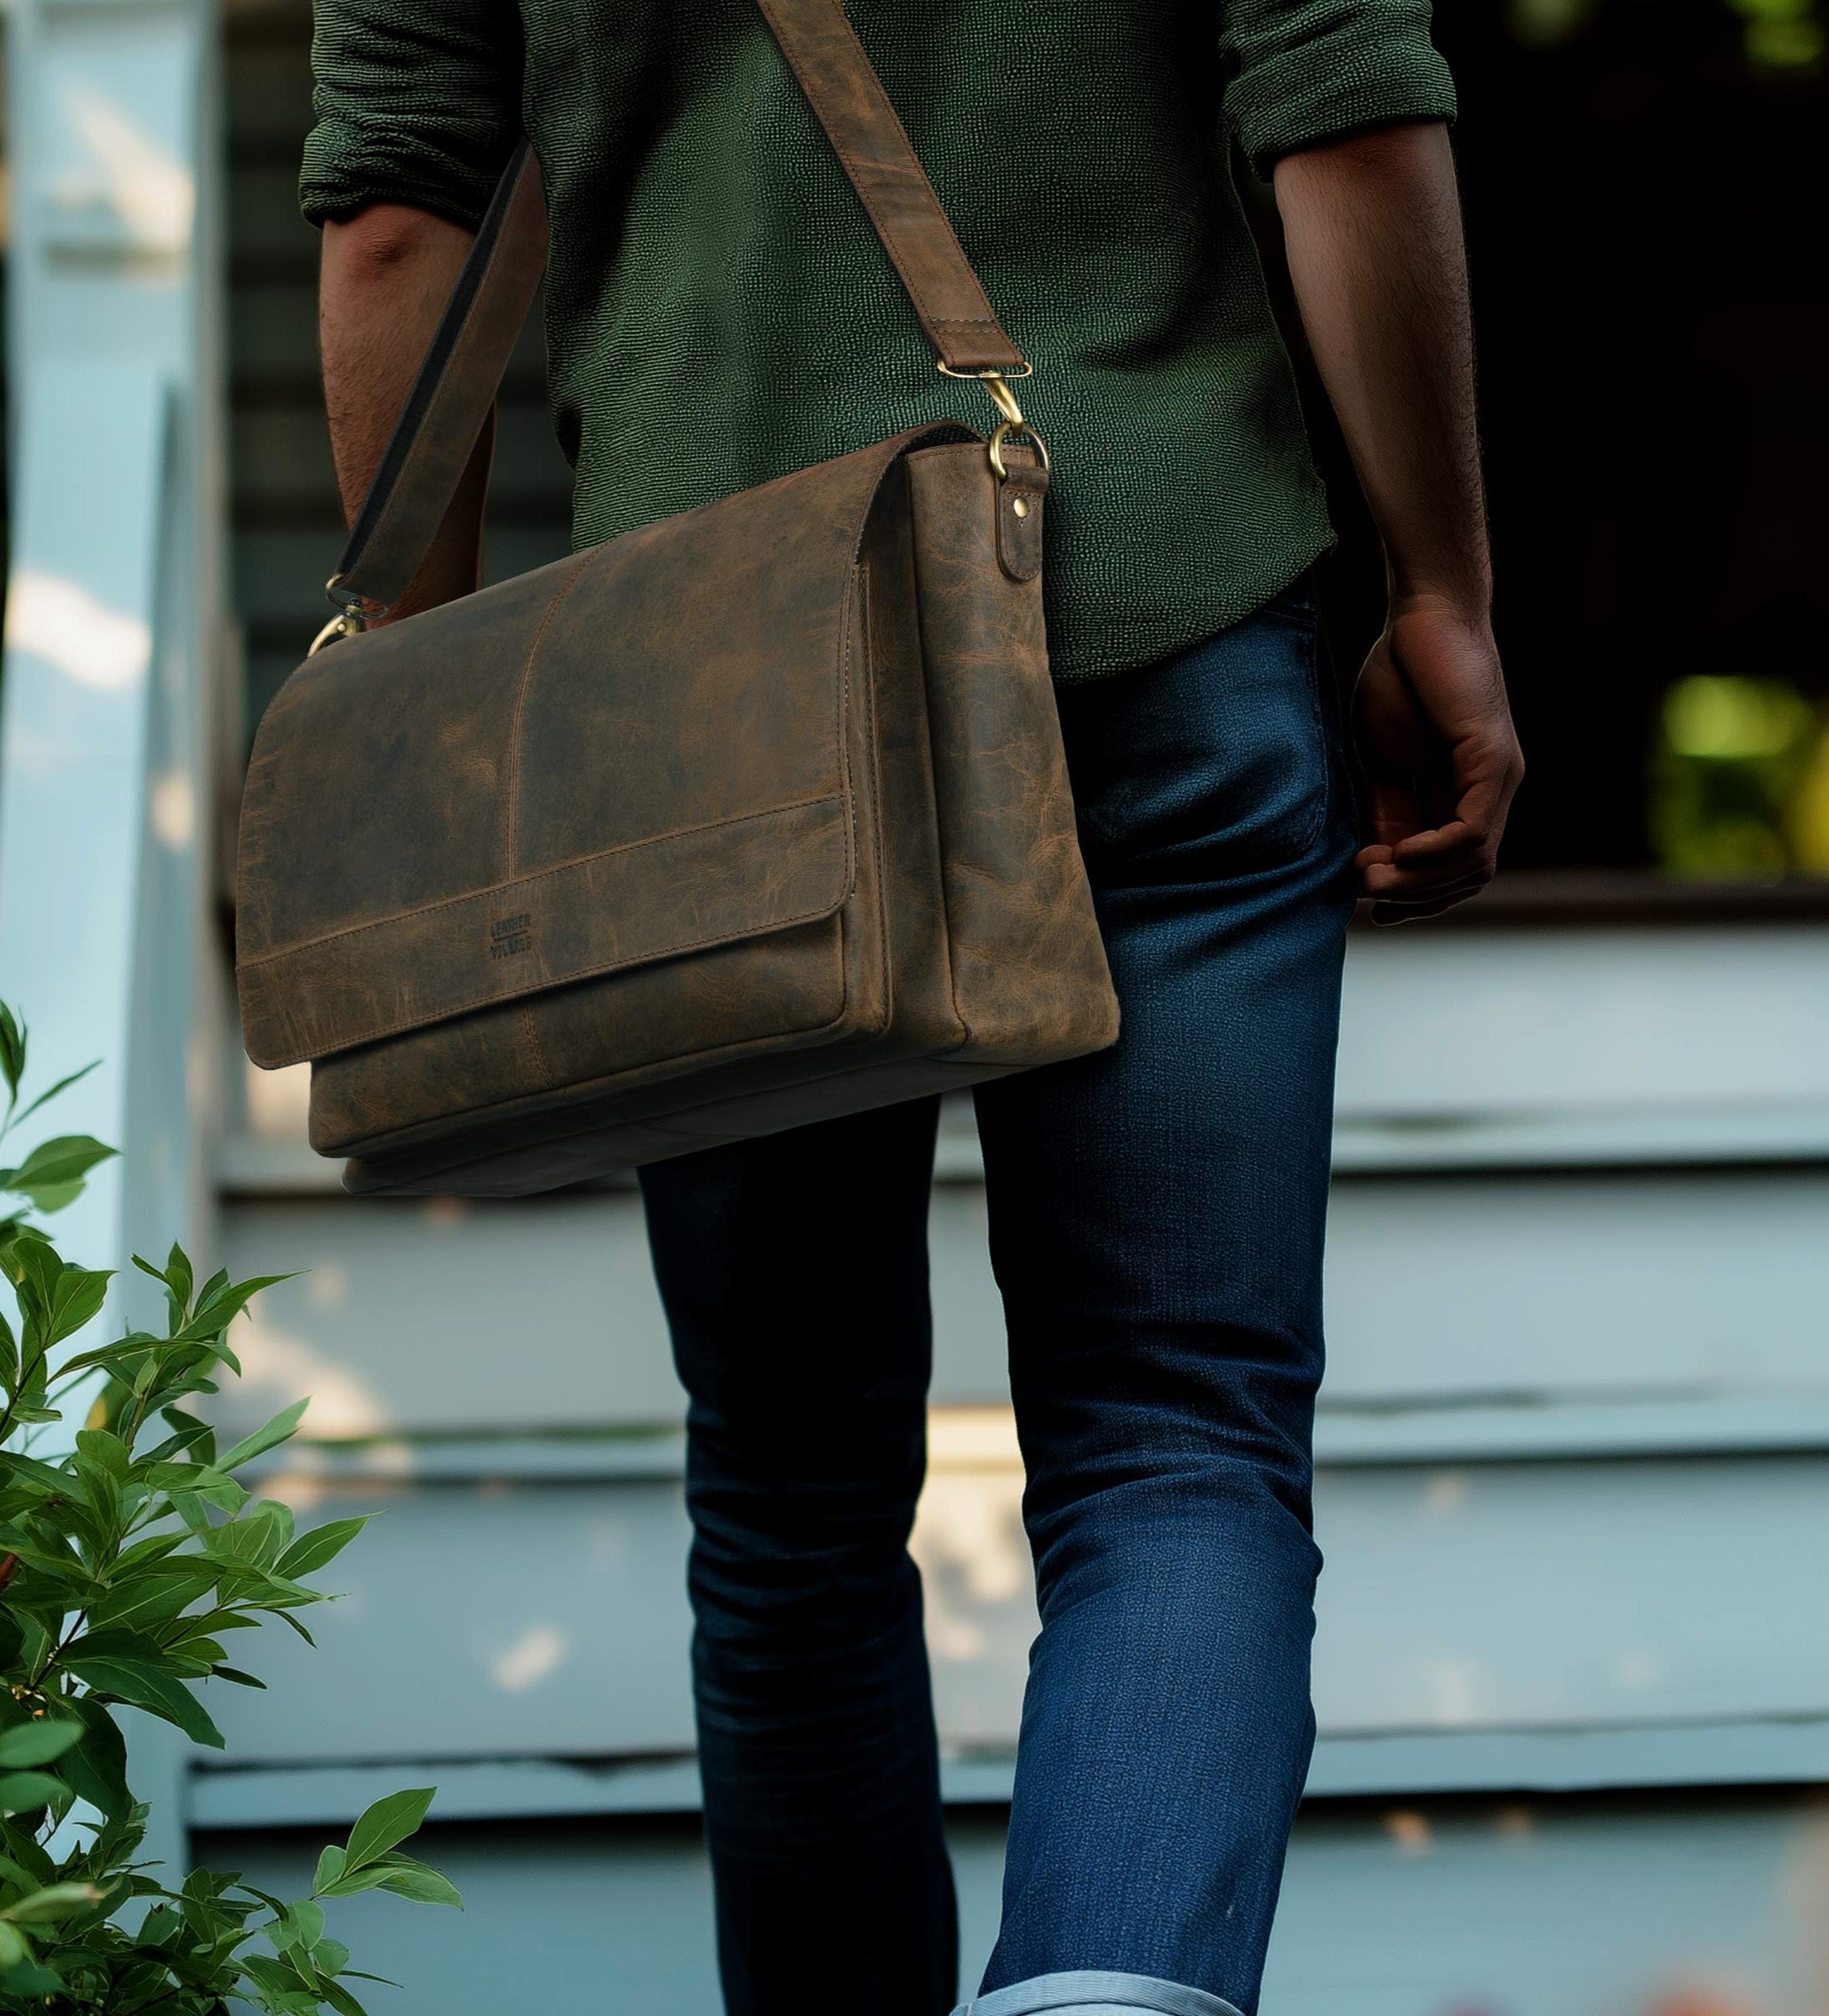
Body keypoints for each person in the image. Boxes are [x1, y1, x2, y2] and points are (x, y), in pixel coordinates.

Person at [301, 3, 1524, 2011]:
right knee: (1178, 1441)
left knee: (789, 1495)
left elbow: (393, 214)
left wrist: (437, 725)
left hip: (710, 686)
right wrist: (1442, 591)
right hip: (1152, 603)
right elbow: (1346, 106)